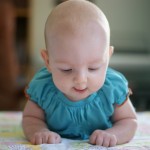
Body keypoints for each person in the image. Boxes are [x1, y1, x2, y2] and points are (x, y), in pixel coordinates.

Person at [22, 0, 137, 147]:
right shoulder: (42, 88)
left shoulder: (112, 89)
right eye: (66, 69)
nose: (81, 80)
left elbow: (129, 121)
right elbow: (31, 118)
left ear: (107, 57)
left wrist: (113, 134)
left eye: (94, 68)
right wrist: (39, 130)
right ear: (48, 61)